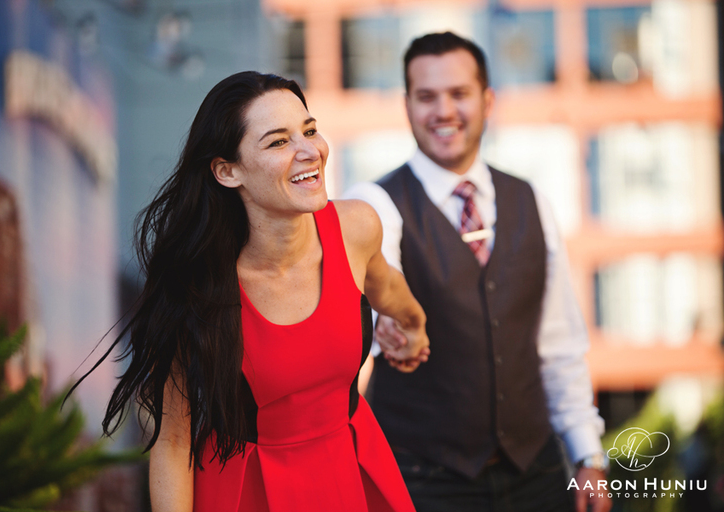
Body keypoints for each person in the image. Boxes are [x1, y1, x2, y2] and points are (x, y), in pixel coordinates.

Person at [71, 71, 430, 511]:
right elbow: (173, 442)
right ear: (228, 171)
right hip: (246, 489)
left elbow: (389, 290)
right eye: (278, 142)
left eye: (309, 131)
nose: (310, 151)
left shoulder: (356, 226)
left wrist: (413, 326)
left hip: (353, 472)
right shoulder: (197, 286)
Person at [345, 32, 612, 512]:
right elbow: (382, 274)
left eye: (459, 93)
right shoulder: (375, 203)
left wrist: (587, 455)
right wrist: (391, 321)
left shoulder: (531, 200)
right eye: (427, 96)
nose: (444, 111)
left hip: (537, 474)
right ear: (407, 105)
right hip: (424, 481)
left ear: (487, 101)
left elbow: (558, 345)